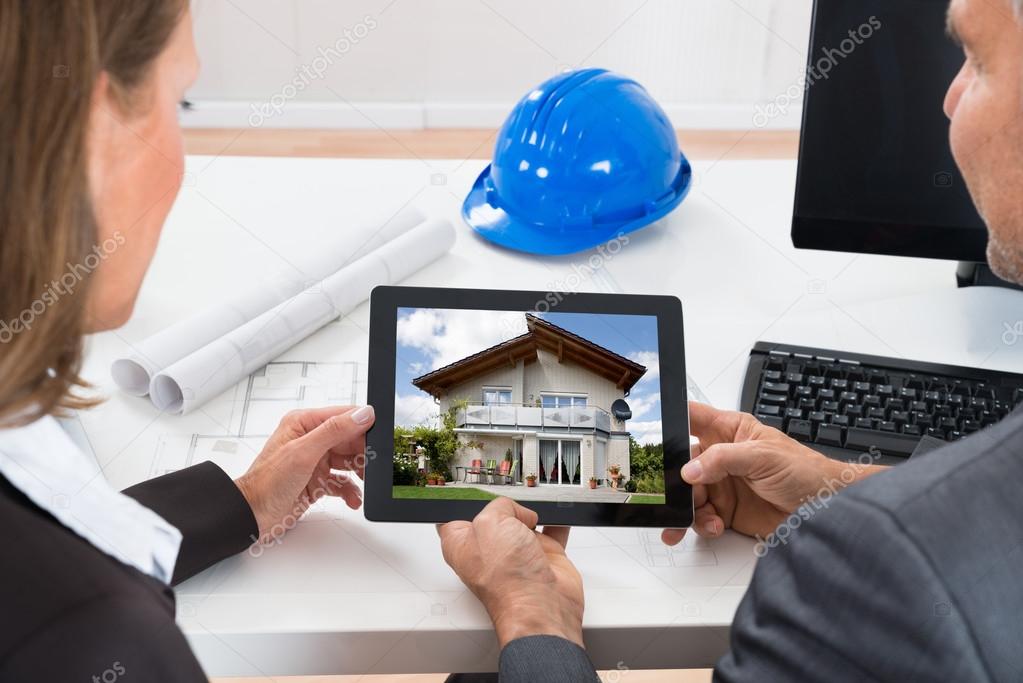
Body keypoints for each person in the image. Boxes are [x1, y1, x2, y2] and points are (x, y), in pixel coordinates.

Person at [438, 0, 1023, 680]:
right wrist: (834, 486)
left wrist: (535, 616)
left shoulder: (875, 572)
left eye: (976, 62)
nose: (948, 97)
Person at [0, 2, 375, 680]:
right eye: (183, 100)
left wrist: (248, 500)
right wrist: (533, 628)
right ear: (93, 130)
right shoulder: (98, 639)